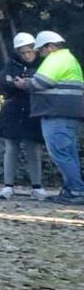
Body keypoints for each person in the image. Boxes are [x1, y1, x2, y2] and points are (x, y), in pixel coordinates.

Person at [29, 30, 84, 204]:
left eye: (41, 50)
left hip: (56, 113)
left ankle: (76, 191)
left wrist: (24, 83)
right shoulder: (69, 59)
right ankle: (71, 190)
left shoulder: (56, 59)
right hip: (68, 113)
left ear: (50, 47)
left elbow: (40, 82)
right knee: (68, 152)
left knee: (60, 152)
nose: (40, 54)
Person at [0, 31, 48, 201]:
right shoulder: (10, 65)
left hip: (34, 110)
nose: (27, 55)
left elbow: (43, 84)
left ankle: (37, 186)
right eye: (23, 52)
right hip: (13, 110)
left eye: (29, 51)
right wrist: (20, 83)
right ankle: (8, 186)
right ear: (17, 52)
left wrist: (23, 83)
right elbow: (4, 82)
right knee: (11, 148)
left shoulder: (44, 64)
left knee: (33, 149)